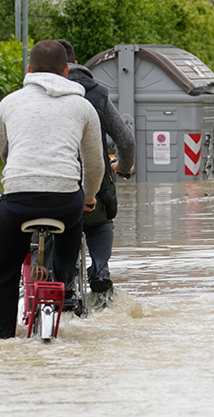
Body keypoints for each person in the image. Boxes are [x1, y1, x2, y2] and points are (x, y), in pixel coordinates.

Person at [0, 40, 104, 338]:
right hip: (66, 203)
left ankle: (1, 339)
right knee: (74, 217)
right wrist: (89, 196)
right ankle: (63, 283)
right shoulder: (84, 106)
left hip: (17, 203)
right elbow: (95, 165)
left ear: (29, 70)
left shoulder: (11, 102)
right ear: (66, 71)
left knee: (1, 272)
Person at [58, 39, 135, 300]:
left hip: (48, 187)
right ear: (76, 64)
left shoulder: (32, 96)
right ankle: (101, 271)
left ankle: (54, 278)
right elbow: (126, 140)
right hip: (94, 185)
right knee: (100, 223)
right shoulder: (97, 93)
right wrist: (122, 168)